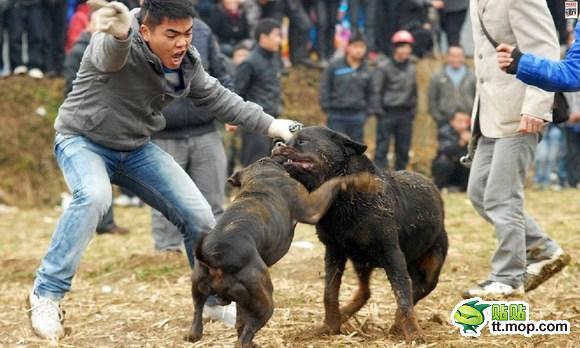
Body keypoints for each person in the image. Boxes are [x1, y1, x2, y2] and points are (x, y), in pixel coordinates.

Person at [27, 0, 301, 341]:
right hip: (82, 140)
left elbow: (219, 98)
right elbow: (109, 56)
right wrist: (119, 37)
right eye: (171, 34)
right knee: (94, 197)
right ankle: (46, 295)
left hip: (135, 148)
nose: (181, 42)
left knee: (200, 216)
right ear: (145, 30)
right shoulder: (116, 37)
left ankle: (215, 300)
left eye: (186, 34)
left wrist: (272, 124)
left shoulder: (186, 64)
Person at [463, 0, 569, 299]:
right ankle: (544, 249)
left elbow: (544, 49)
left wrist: (536, 106)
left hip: (521, 111)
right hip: (489, 112)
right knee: (480, 191)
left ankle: (508, 277)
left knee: (501, 196)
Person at [150, 16, 230, 255]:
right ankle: (167, 251)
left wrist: (229, 111)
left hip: (204, 130)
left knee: (213, 198)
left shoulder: (202, 30)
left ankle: (214, 251)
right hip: (164, 133)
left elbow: (220, 73)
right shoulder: (145, 32)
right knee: (166, 199)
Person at [63, 11, 130, 235]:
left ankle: (105, 222)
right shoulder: (80, 51)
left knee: (103, 178)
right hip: (86, 122)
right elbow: (74, 89)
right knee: (91, 184)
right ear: (91, 25)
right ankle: (96, 224)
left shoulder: (102, 49)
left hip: (104, 120)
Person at [235, 18, 283, 166]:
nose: (279, 40)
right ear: (263, 37)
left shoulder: (275, 58)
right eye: (276, 35)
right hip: (255, 123)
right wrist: (234, 119)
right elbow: (237, 92)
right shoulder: (250, 62)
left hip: (274, 120)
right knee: (254, 165)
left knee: (270, 164)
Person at [370, 30, 417, 171]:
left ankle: (401, 181)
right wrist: (379, 111)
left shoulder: (411, 68)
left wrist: (413, 110)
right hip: (387, 112)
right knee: (382, 149)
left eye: (408, 47)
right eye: (403, 47)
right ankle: (378, 180)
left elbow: (415, 91)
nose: (406, 50)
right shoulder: (383, 67)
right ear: (395, 48)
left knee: (403, 149)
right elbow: (376, 90)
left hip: (405, 113)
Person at [319, 31, 370, 143]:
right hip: (336, 114)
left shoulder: (367, 69)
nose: (359, 50)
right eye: (356, 46)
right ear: (348, 47)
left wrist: (366, 112)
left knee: (356, 150)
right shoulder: (335, 65)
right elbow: (325, 86)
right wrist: (326, 107)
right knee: (334, 148)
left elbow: (371, 92)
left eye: (362, 47)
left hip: (357, 115)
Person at [428, 45, 476, 129]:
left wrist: (471, 119)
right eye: (453, 56)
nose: (456, 59)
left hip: (469, 122)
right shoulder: (437, 77)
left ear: (464, 57)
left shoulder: (473, 77)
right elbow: (432, 101)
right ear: (447, 57)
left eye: (459, 56)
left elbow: (478, 99)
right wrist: (440, 119)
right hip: (445, 123)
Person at [431, 111, 471, 191]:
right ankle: (440, 187)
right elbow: (445, 150)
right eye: (460, 121)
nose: (463, 125)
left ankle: (464, 188)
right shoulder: (445, 132)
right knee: (443, 163)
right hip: (449, 165)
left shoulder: (472, 132)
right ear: (452, 121)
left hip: (462, 168)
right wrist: (461, 143)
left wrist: (471, 142)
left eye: (465, 122)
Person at [8, 0, 44, 78]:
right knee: (15, 34)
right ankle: (17, 64)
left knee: (36, 34)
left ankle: (35, 64)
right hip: (15, 3)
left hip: (35, 3)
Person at [42, 0, 68, 77]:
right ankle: (48, 67)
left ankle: (60, 67)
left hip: (61, 4)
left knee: (60, 36)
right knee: (46, 36)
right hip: (45, 5)